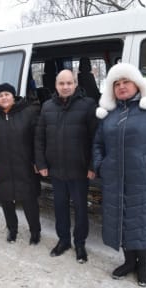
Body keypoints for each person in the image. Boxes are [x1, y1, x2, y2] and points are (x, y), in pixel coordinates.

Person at [93, 63, 146, 287]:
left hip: (143, 181)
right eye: (117, 84)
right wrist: (101, 165)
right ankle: (129, 262)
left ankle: (144, 266)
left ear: (137, 84)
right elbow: (97, 143)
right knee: (121, 223)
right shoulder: (109, 114)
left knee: (141, 224)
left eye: (126, 82)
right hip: (114, 180)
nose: (121, 87)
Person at [35, 70, 98, 263]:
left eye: (69, 83)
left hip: (79, 170)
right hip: (56, 170)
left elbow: (97, 138)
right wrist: (41, 163)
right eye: (62, 83)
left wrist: (93, 166)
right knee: (60, 207)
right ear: (56, 85)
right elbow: (39, 138)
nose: (65, 87)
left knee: (80, 209)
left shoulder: (88, 105)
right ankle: (63, 240)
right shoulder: (47, 107)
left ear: (75, 84)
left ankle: (80, 243)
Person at [0, 83, 41, 245]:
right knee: (6, 201)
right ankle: (12, 230)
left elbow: (37, 140)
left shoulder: (28, 114)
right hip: (1, 168)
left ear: (13, 96)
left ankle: (35, 231)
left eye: (7, 94)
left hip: (25, 166)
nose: (4, 98)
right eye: (0, 95)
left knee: (29, 201)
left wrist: (38, 161)